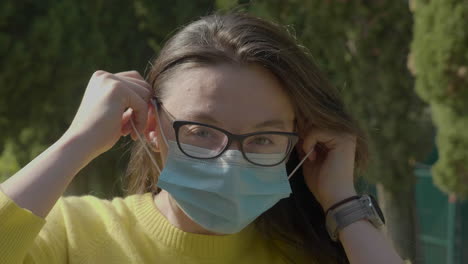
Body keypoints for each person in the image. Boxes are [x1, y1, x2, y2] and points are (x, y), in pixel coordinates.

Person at [0, 12, 404, 263]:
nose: (229, 159)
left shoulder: (314, 253)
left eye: (263, 138)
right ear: (150, 128)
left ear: (296, 146)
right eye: (201, 131)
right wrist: (77, 141)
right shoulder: (75, 234)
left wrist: (343, 202)